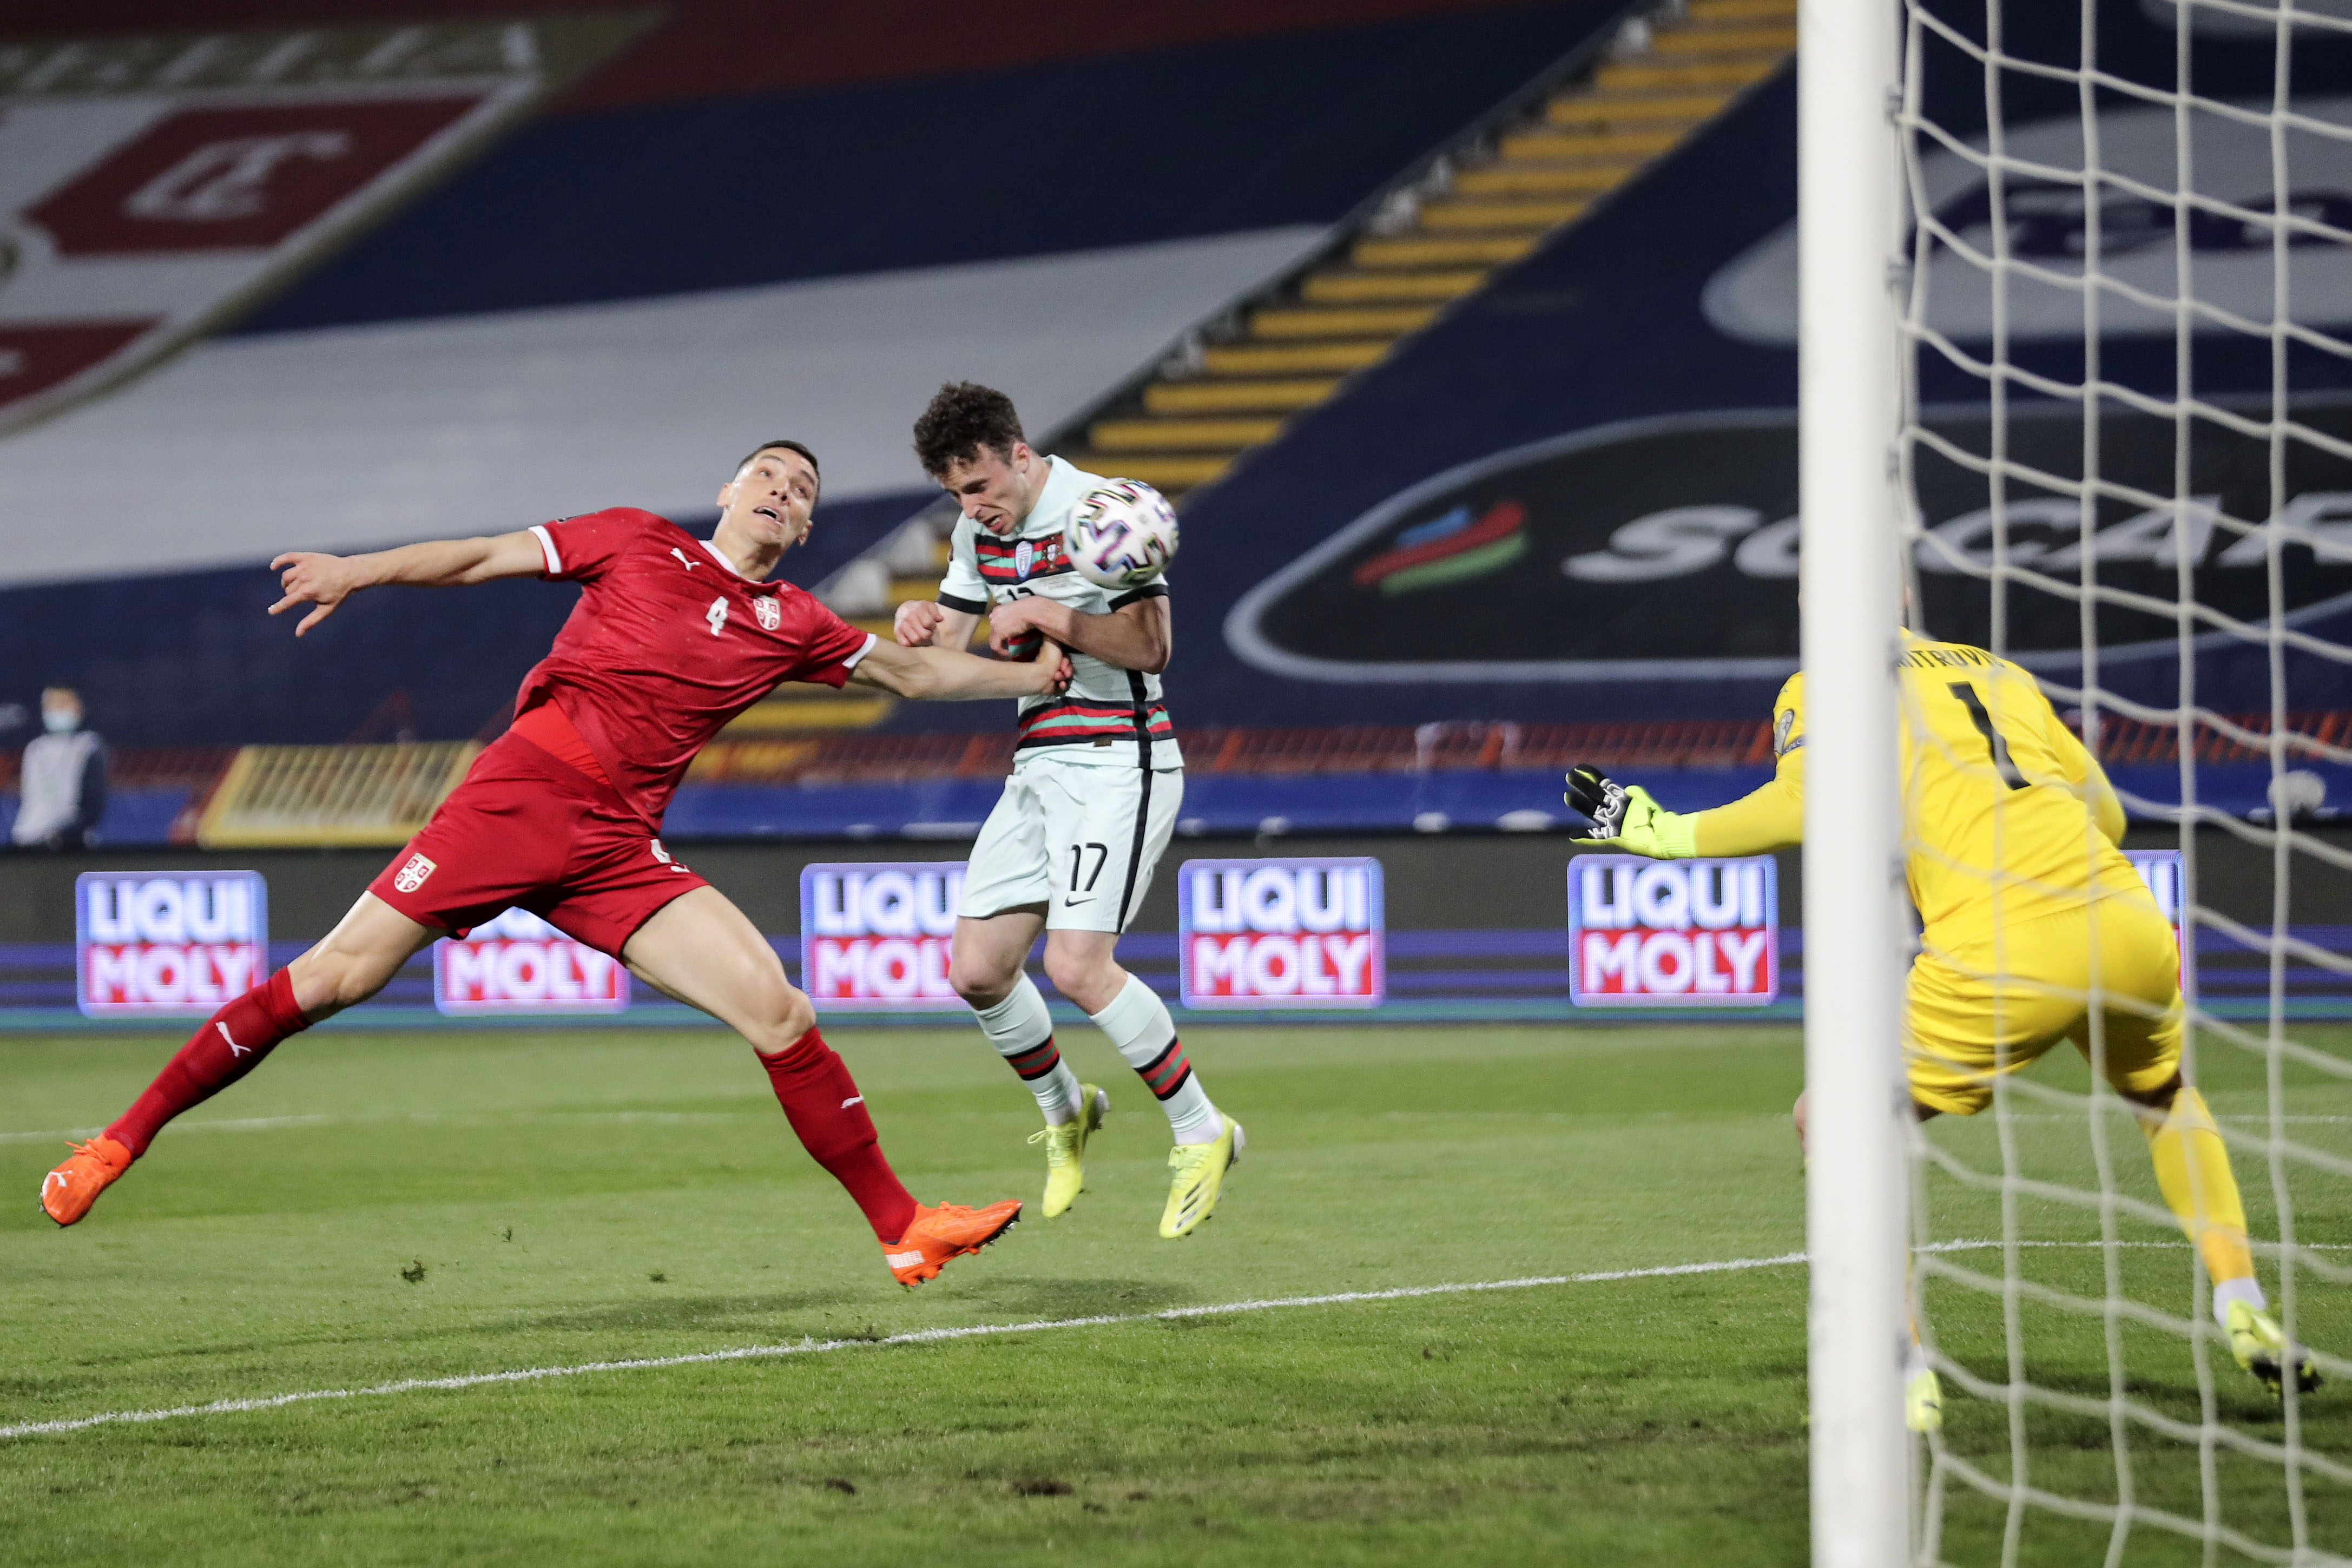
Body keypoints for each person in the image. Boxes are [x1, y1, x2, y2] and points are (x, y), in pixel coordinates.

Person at [42, 440, 1066, 1289]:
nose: (780, 492)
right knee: (336, 978)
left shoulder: (792, 621)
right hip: (523, 795)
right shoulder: (634, 540)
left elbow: (915, 668)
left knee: (781, 1012)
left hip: (618, 845)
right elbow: (483, 556)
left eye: (799, 492)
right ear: (728, 490)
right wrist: (360, 569)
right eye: (766, 474)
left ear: (803, 531)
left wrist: (1027, 672)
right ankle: (118, 1141)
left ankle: (903, 1227)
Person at [1565, 628, 2318, 1428]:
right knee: (2164, 1098)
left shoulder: (1821, 677)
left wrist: (1660, 831)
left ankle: (1899, 1364)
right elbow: (2105, 813)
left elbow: (1802, 799)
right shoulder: (1997, 670)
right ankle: (2240, 1301)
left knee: (1832, 1122)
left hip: (1998, 945)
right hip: (2124, 919)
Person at [895, 382, 1240, 1238]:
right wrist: (914, 625)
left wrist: (1053, 614)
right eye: (955, 496)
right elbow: (945, 653)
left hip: (1117, 759)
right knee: (976, 970)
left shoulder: (1102, 511)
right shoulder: (979, 534)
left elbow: (1151, 647)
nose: (972, 509)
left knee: (1079, 966)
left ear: (1018, 454)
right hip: (1038, 767)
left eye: (979, 487)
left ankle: (1204, 1130)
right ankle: (1066, 1110)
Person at [11, 687, 108, 849]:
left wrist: (61, 835)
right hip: (27, 839)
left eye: (63, 704)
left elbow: (92, 806)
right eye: (52, 705)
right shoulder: (35, 749)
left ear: (79, 708)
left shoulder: (90, 745)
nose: (57, 710)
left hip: (69, 844)